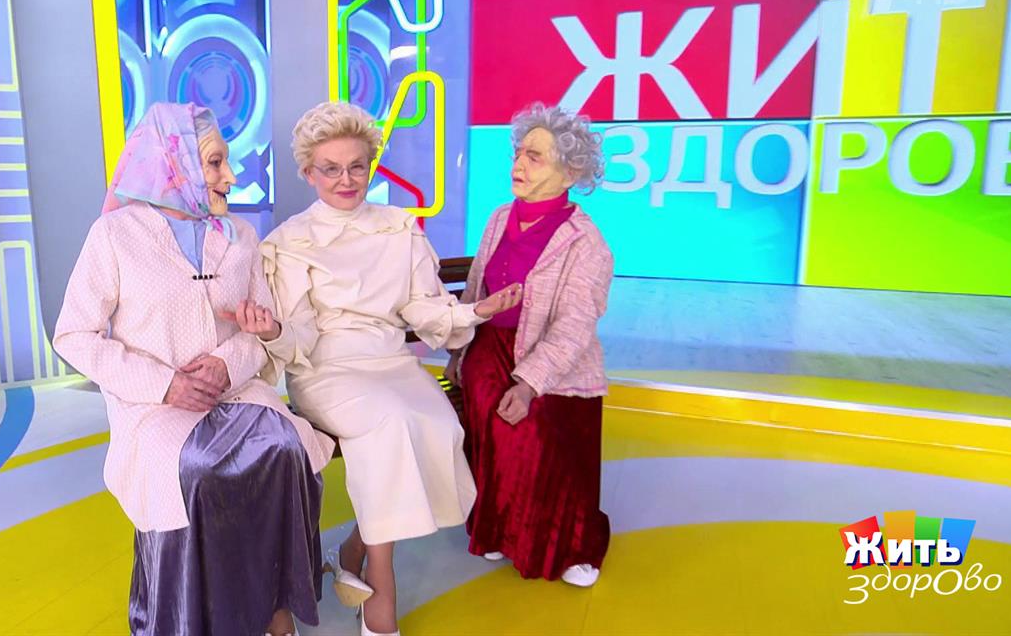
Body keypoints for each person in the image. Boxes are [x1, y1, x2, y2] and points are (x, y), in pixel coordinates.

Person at [229, 101, 521, 636]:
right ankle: (381, 587)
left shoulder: (398, 228)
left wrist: (473, 311)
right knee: (390, 426)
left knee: (439, 424)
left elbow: (421, 306)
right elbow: (298, 334)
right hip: (326, 369)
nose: (346, 180)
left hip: (391, 362)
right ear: (308, 172)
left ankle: (355, 548)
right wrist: (272, 333)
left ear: (371, 165)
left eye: (357, 166)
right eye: (330, 169)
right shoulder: (289, 242)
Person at [53, 102, 335, 636]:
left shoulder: (241, 236)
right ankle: (192, 617)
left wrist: (228, 365)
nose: (230, 176)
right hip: (154, 407)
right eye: (214, 162)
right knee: (197, 472)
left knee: (285, 449)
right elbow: (73, 335)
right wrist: (165, 384)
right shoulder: (115, 236)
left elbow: (259, 331)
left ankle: (276, 607)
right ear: (173, 162)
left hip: (237, 392)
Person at [446, 102, 614, 588]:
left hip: (553, 359)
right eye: (519, 153)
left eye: (535, 157)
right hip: (491, 346)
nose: (518, 164)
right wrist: (458, 351)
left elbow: (574, 327)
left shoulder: (587, 243)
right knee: (489, 410)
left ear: (571, 172)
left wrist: (529, 383)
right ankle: (498, 529)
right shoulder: (499, 217)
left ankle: (572, 544)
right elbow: (475, 291)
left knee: (534, 422)